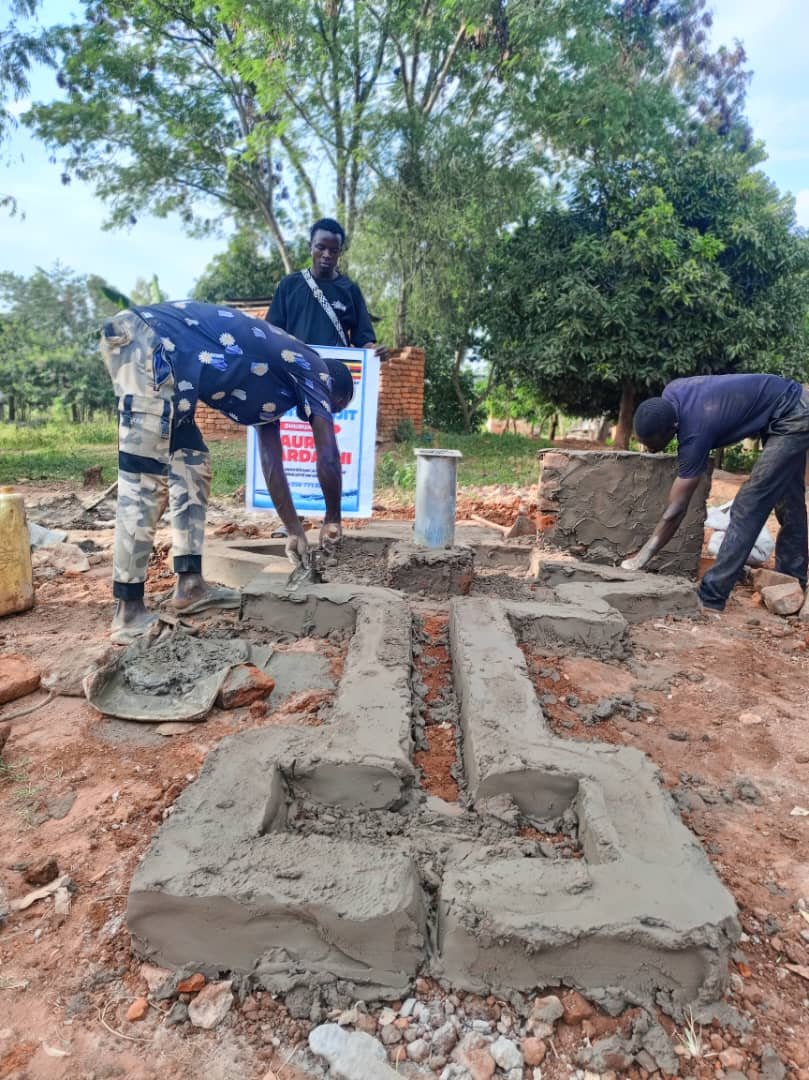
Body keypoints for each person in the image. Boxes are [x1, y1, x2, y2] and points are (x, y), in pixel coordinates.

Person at [100, 300, 355, 644]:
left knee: (193, 466)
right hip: (152, 343)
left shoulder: (277, 388)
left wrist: (294, 530)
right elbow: (328, 454)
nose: (329, 412)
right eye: (335, 406)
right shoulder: (314, 366)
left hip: (176, 374)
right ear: (333, 389)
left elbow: (272, 463)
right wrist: (333, 518)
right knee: (144, 481)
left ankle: (190, 586)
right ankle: (128, 611)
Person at [622, 373, 809, 611]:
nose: (648, 449)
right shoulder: (672, 393)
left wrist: (641, 557)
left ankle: (712, 595)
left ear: (674, 429)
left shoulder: (695, 432)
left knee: (750, 502)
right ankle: (792, 578)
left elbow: (676, 510)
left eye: (652, 444)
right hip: (787, 402)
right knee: (789, 498)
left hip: (794, 414)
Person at [268, 217, 389, 359]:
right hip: (297, 367)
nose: (327, 255)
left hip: (336, 368)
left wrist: (375, 351)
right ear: (310, 246)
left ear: (340, 252)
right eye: (321, 247)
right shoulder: (289, 285)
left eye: (333, 250)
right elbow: (272, 333)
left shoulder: (350, 290)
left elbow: (364, 340)